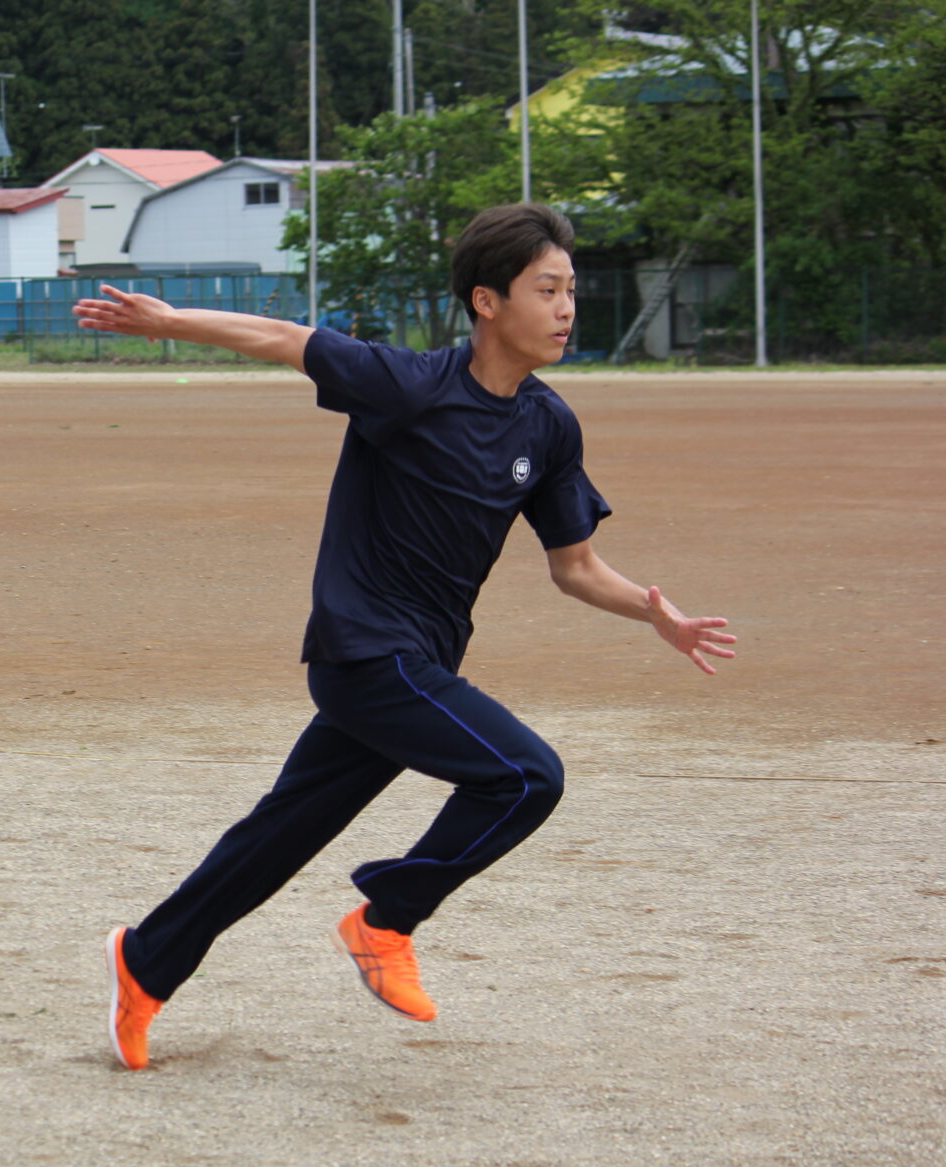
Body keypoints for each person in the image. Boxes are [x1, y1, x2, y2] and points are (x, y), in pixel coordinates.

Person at [71, 203, 737, 1070]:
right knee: (527, 777)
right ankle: (386, 918)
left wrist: (656, 613)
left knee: (281, 833)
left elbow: (573, 566)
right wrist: (167, 321)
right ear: (487, 301)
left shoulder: (548, 426)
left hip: (412, 665)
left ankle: (146, 961)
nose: (568, 307)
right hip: (366, 652)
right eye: (548, 289)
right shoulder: (410, 384)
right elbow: (286, 338)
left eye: (572, 289)